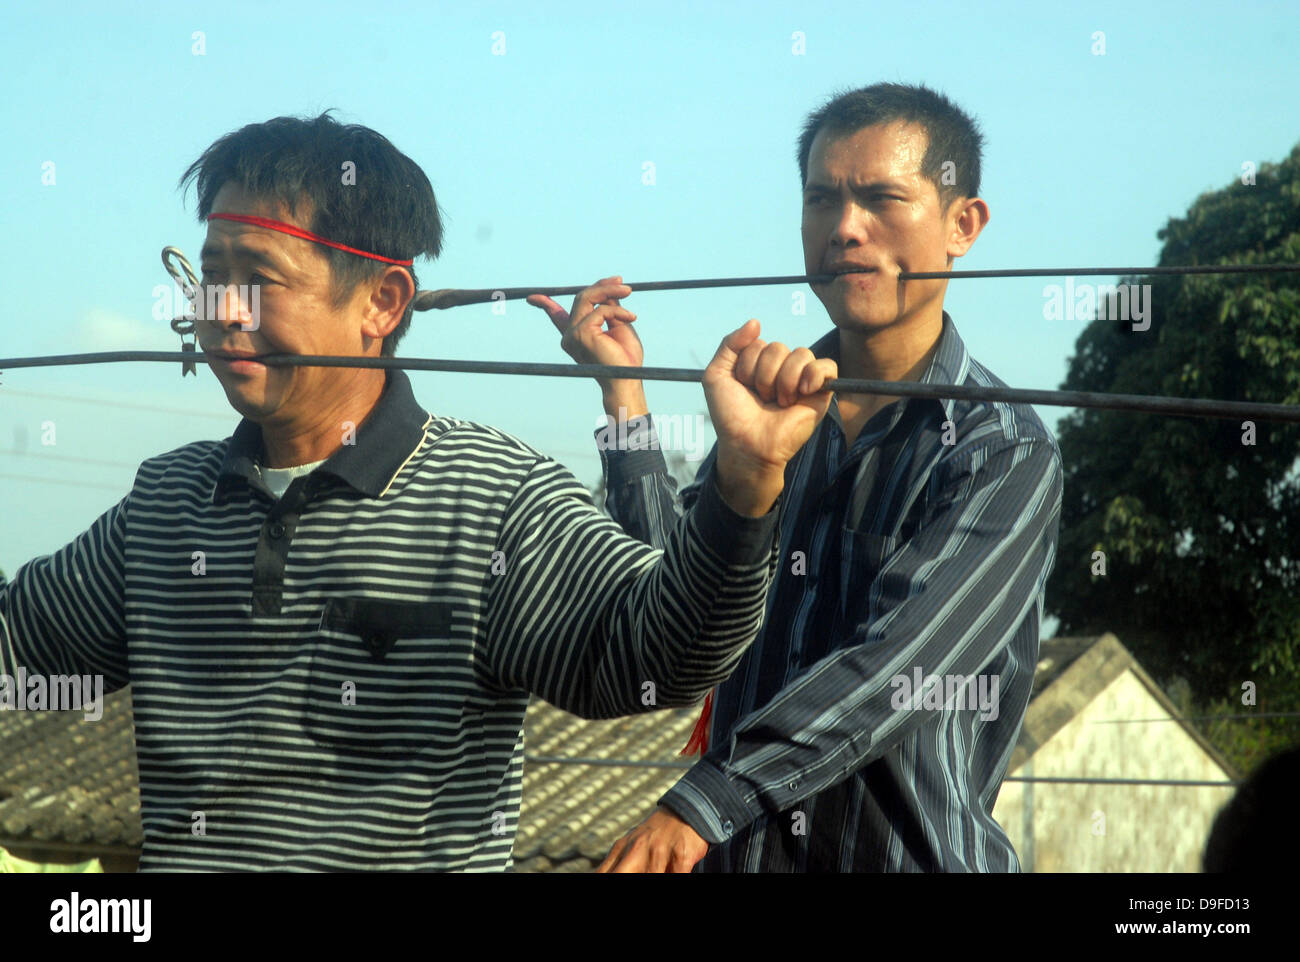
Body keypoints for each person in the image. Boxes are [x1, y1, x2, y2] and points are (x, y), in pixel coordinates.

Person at [0, 112, 838, 872]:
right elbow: (16, 648)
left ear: (382, 299)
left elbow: (657, 657)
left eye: (256, 278)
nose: (222, 311)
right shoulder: (165, 505)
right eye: (208, 276)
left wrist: (744, 484)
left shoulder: (492, 498)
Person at [530, 82, 1064, 872]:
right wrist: (625, 401)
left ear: (963, 224)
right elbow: (676, 605)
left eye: (882, 198)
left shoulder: (1001, 450)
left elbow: (899, 667)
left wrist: (703, 801)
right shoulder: (774, 417)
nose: (846, 227)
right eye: (823, 199)